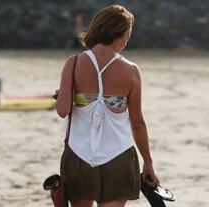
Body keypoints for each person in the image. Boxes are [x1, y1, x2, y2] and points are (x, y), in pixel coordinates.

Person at [55, 5, 158, 207]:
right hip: (118, 157)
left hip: (79, 156)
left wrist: (62, 96)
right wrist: (148, 163)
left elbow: (62, 110)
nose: (126, 42)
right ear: (118, 35)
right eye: (127, 36)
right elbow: (137, 123)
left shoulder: (73, 63)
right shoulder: (131, 71)